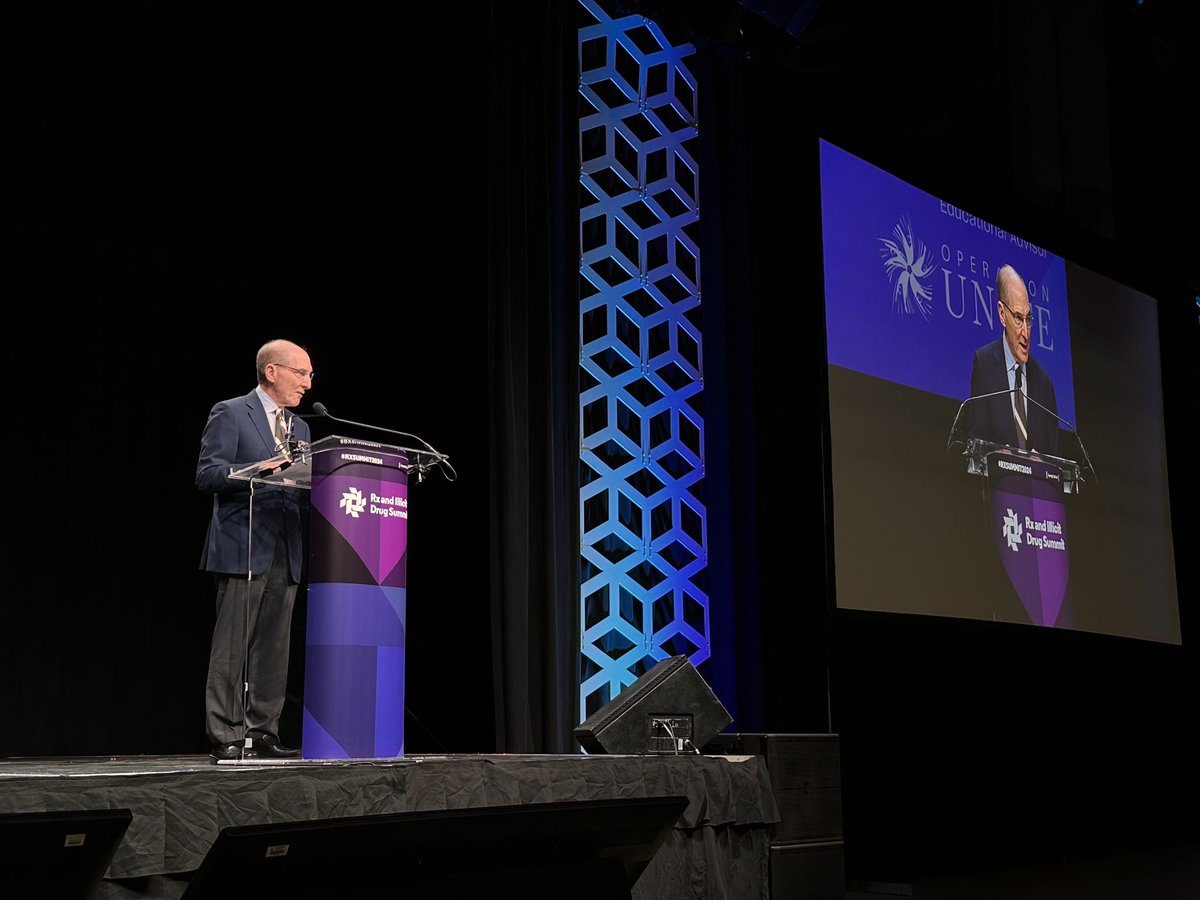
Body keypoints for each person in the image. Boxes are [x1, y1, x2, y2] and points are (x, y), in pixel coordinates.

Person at [197, 339, 313, 761]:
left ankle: (262, 731)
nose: (307, 383)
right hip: (242, 545)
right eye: (301, 373)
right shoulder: (231, 412)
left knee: (273, 647)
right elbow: (208, 475)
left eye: (310, 375)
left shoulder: (300, 428)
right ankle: (225, 733)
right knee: (232, 646)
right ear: (272, 371)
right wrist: (256, 470)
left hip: (286, 546)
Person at [967, 264, 1060, 456]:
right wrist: (997, 456)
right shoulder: (984, 364)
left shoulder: (1044, 382)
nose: (1026, 332)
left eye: (1029, 318)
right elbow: (975, 442)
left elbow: (1056, 457)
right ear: (1002, 314)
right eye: (1018, 318)